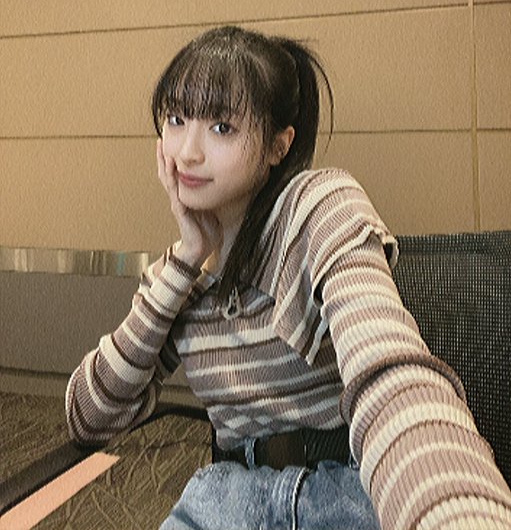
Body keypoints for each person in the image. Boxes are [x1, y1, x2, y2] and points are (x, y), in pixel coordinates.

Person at [66, 26, 511, 530]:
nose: (187, 152)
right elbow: (88, 419)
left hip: (342, 492)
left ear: (279, 146)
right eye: (176, 119)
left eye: (222, 127)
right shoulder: (176, 278)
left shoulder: (319, 208)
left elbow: (389, 372)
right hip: (226, 501)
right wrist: (187, 259)